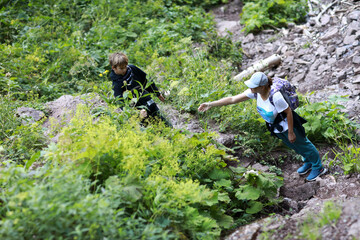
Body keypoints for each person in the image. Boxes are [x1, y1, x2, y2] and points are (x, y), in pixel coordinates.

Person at [198, 72, 327, 181]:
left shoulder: (275, 96)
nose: (251, 89)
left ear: (264, 86)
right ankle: (308, 161)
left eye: (254, 87)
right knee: (294, 145)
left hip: (288, 125)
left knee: (303, 143)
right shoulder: (256, 93)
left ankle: (318, 167)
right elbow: (232, 99)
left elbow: (288, 112)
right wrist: (211, 104)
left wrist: (291, 132)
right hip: (276, 127)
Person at [109, 52, 172, 127]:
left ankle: (172, 133)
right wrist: (136, 113)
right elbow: (121, 103)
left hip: (147, 100)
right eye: (121, 68)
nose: (124, 70)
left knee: (163, 122)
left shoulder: (132, 69)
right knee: (149, 129)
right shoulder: (116, 84)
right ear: (113, 68)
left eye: (125, 66)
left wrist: (157, 93)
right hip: (138, 109)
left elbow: (146, 80)